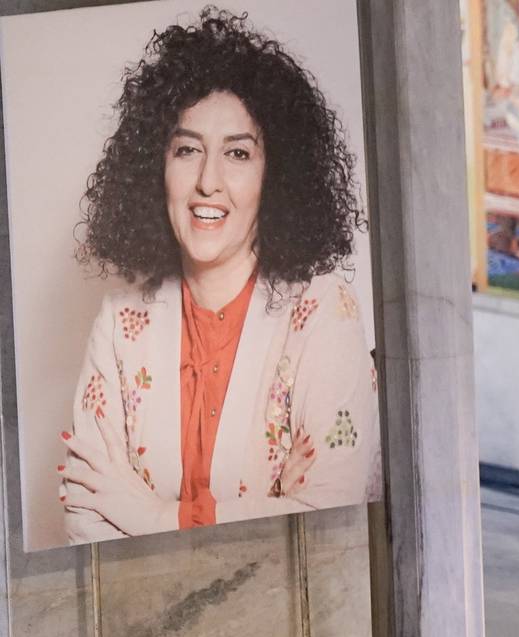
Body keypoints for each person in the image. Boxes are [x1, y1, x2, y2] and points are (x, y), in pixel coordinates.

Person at [61, 8, 377, 543]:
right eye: (187, 150)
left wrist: (157, 517)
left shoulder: (324, 311)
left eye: (237, 153)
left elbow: (332, 519)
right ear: (155, 168)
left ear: (273, 174)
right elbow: (83, 518)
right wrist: (272, 506)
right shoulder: (119, 322)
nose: (209, 181)